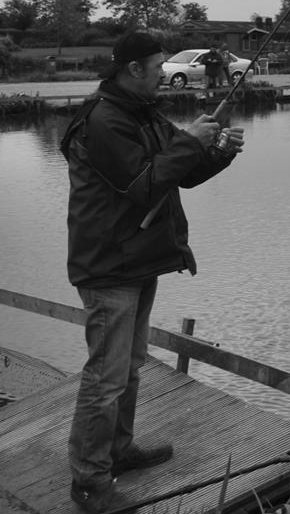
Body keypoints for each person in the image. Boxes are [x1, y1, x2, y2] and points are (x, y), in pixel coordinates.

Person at [59, 31, 245, 513]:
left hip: (136, 260)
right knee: (106, 379)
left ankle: (119, 451)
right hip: (108, 267)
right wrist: (188, 140)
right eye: (158, 64)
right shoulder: (104, 121)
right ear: (134, 69)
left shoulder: (141, 113)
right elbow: (143, 185)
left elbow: (180, 173)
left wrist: (217, 150)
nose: (164, 71)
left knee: (130, 368)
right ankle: (89, 481)